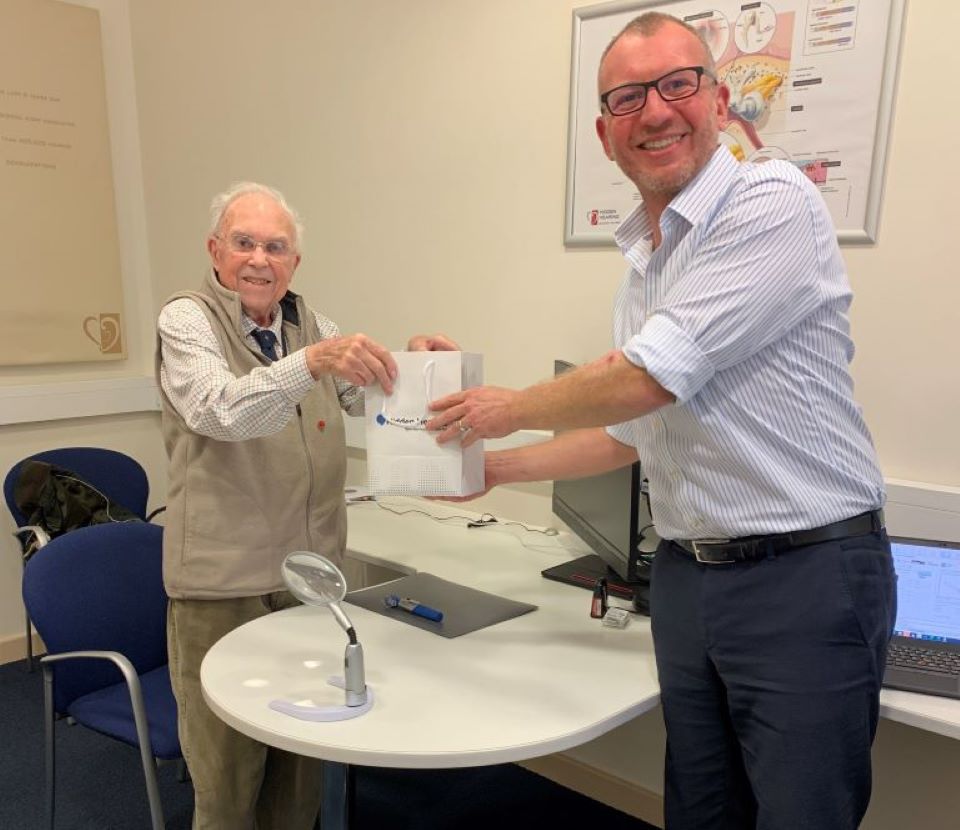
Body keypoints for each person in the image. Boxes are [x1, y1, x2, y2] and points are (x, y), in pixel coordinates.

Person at [427, 14, 894, 830]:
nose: (657, 111)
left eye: (678, 84)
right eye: (629, 97)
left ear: (717, 101)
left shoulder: (771, 202)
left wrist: (502, 408)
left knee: (800, 814)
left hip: (802, 576)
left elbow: (644, 380)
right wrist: (490, 468)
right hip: (688, 578)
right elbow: (629, 433)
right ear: (606, 135)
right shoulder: (647, 260)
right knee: (700, 810)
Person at [156, 181, 449, 829]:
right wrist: (311, 363)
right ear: (214, 250)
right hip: (220, 587)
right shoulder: (186, 320)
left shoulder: (315, 328)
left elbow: (362, 402)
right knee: (229, 787)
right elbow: (220, 410)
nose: (260, 259)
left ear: (295, 263)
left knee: (297, 778)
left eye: (276, 247)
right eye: (244, 243)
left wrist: (413, 372)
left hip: (308, 582)